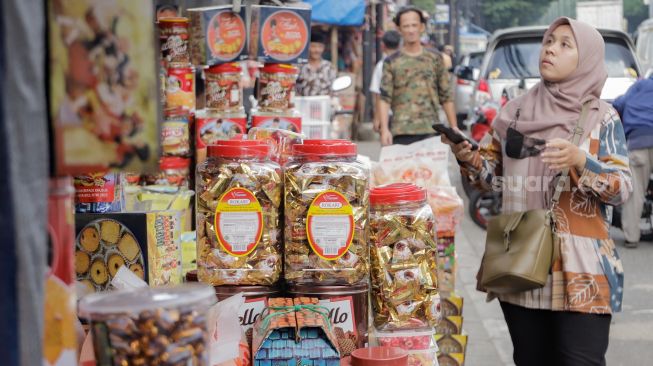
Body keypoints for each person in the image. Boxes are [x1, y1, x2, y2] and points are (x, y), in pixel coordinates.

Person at [442, 17, 630, 366]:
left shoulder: (603, 118)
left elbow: (622, 189)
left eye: (564, 44)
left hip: (581, 271)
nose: (551, 49)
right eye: (549, 41)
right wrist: (467, 157)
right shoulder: (513, 112)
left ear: (586, 58)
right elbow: (489, 179)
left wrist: (581, 161)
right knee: (530, 359)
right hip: (521, 260)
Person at [379, 6, 457, 146]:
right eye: (406, 26)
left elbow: (446, 95)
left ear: (421, 27)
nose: (410, 30)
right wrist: (384, 130)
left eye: (414, 25)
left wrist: (454, 127)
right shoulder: (391, 62)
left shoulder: (435, 58)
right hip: (401, 131)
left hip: (431, 130)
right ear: (399, 29)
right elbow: (384, 98)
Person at [613, 72, 653, 248]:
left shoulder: (639, 86)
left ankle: (632, 237)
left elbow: (618, 104)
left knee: (635, 192)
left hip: (638, 142)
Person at [369, 30, 401, 132]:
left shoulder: (381, 66)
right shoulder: (405, 63)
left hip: (387, 115)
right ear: (399, 45)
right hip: (405, 115)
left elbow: (379, 94)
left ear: (382, 45)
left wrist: (377, 118)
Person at [296, 32, 337, 96]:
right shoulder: (300, 66)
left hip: (324, 104)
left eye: (320, 47)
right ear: (307, 47)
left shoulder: (329, 67)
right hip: (303, 104)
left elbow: (334, 90)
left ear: (323, 48)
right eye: (313, 46)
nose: (317, 50)